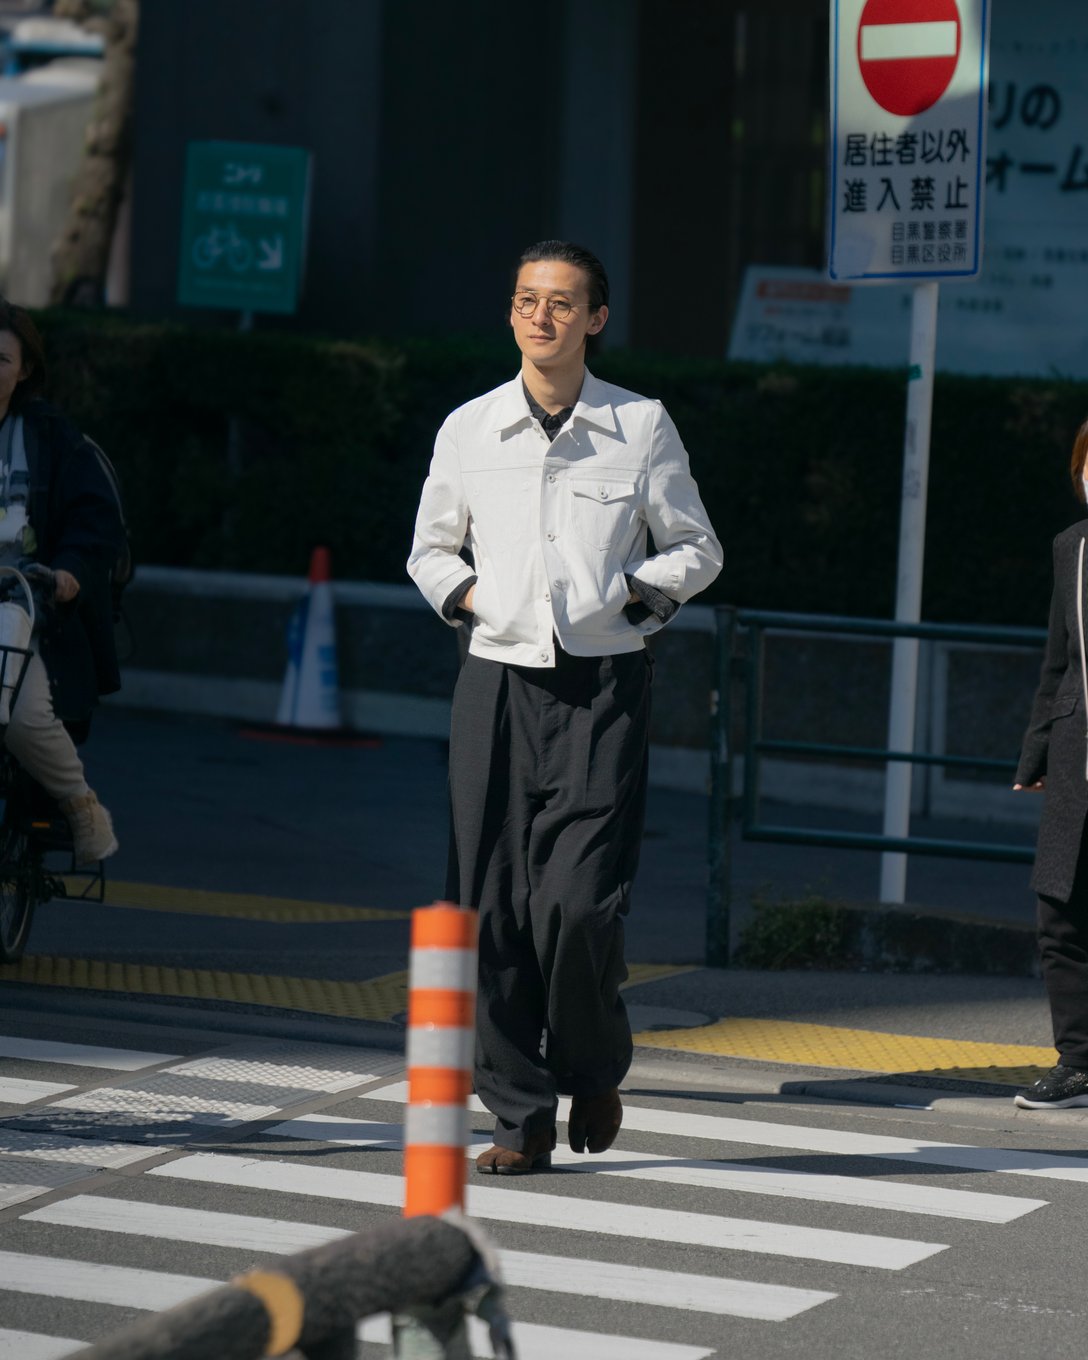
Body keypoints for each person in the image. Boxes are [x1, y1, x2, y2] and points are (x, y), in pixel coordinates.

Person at [407, 241, 722, 1172]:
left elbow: (696, 549)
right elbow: (430, 551)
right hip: (494, 684)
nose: (539, 317)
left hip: (603, 690)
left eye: (560, 303)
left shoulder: (641, 425)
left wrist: (630, 596)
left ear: (596, 318)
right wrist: (472, 602)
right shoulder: (469, 428)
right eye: (524, 301)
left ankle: (591, 1066)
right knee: (493, 910)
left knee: (578, 907)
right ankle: (517, 1114)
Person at [0, 299, 121, 865]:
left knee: (22, 715)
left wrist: (69, 571)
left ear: (24, 369)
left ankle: (79, 805)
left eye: (1, 359)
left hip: (22, 600)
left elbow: (95, 518)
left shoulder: (50, 436)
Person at [1014, 415, 1088, 1110]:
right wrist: (1036, 750)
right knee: (1058, 910)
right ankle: (1078, 1061)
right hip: (1075, 758)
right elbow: (1057, 661)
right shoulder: (1072, 548)